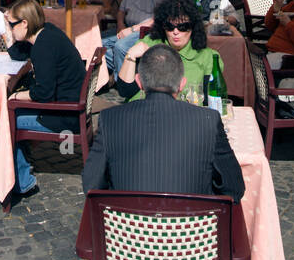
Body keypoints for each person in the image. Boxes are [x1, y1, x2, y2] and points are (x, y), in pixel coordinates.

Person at [82, 45, 245, 200]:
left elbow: (91, 184)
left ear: (139, 82)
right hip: (192, 225)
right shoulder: (207, 120)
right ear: (182, 84)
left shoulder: (110, 119)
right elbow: (234, 188)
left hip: (128, 226)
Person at [5, 0, 87, 199]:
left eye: (12, 24)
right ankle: (23, 161)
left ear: (24, 23)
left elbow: (43, 93)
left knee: (7, 118)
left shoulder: (43, 46)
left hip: (65, 115)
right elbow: (17, 53)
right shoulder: (47, 32)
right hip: (70, 104)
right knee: (14, 108)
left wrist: (15, 95)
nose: (10, 28)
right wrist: (10, 34)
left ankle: (23, 181)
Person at [115, 0, 227, 101]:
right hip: (144, 112)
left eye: (183, 27)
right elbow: (125, 91)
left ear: (193, 27)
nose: (175, 32)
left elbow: (211, 100)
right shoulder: (148, 44)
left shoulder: (208, 57)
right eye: (169, 26)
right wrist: (131, 54)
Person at [102, 0, 168, 74]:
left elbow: (158, 19)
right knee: (100, 42)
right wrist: (120, 25)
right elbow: (121, 10)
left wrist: (131, 30)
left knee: (120, 47)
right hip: (127, 26)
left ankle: (122, 82)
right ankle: (123, 71)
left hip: (145, 31)